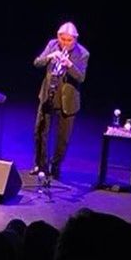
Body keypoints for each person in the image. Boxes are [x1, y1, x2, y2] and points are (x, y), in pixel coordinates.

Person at [30, 22, 89, 179]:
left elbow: (81, 77)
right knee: (40, 131)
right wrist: (50, 56)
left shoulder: (83, 54)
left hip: (68, 100)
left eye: (69, 40)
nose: (65, 43)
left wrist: (69, 65)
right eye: (62, 39)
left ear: (75, 39)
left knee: (63, 138)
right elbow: (37, 62)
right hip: (49, 94)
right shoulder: (52, 45)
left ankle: (55, 166)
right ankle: (40, 165)